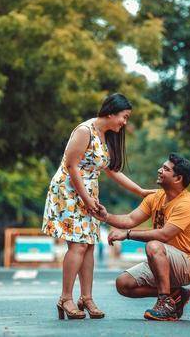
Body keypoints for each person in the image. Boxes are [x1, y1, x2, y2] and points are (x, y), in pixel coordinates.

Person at [41, 93, 155, 320]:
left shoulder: (106, 136)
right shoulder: (85, 131)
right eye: (124, 117)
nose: (125, 122)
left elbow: (112, 170)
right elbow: (71, 166)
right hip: (69, 192)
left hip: (88, 193)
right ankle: (65, 298)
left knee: (90, 245)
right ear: (111, 112)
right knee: (78, 247)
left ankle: (86, 297)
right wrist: (85, 199)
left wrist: (140, 191)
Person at [95, 153, 190, 321]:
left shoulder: (186, 204)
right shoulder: (156, 197)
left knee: (154, 244)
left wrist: (128, 235)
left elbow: (164, 235)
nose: (159, 170)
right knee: (123, 284)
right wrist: (106, 217)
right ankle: (176, 294)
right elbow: (130, 219)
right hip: (162, 259)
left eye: (165, 169)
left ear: (178, 178)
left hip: (186, 264)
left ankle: (165, 303)